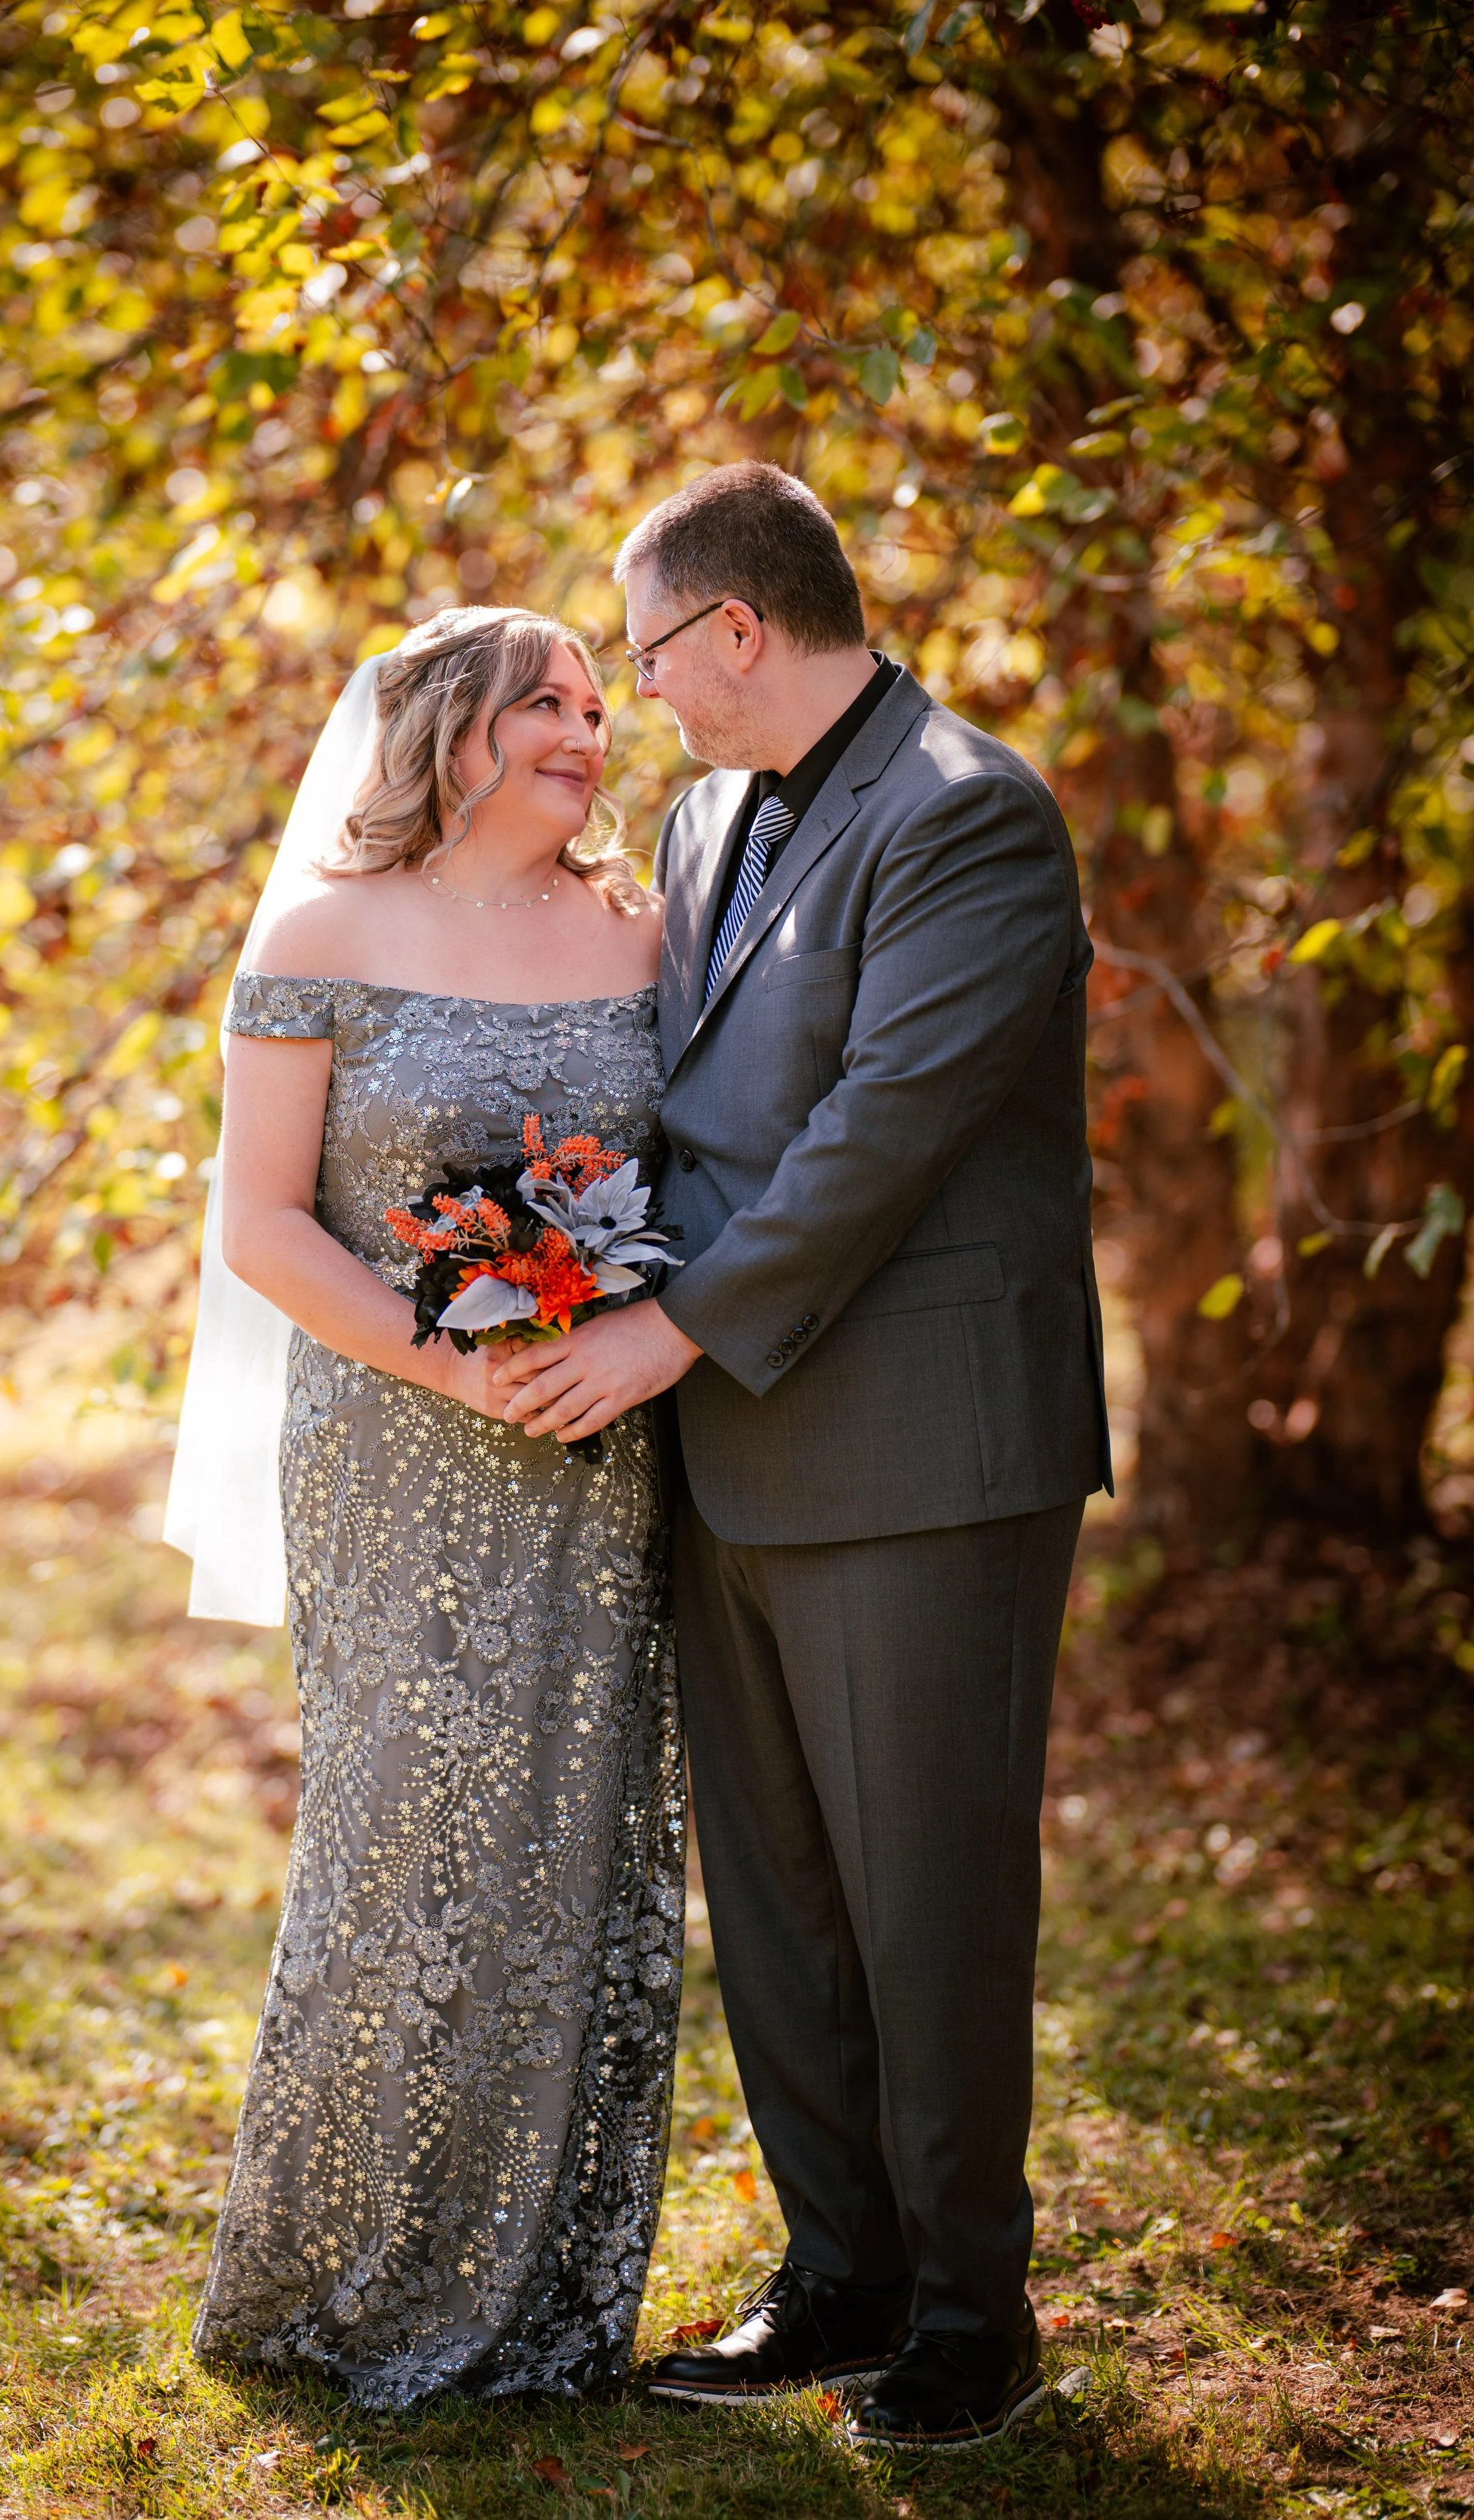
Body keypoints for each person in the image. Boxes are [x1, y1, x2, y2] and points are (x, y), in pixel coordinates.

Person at [493, 464, 1111, 2450]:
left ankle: (967, 2305)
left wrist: (663, 1324)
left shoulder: (965, 813)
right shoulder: (703, 815)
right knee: (773, 1893)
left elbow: (881, 1130)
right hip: (728, 1444)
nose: (645, 700)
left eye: (653, 653)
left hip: (924, 1441)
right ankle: (836, 2271)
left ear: (736, 629)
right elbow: (675, 1092)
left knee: (926, 1888)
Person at [185, 607, 684, 2408]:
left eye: (590, 700)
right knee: (405, 1836)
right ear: (440, 733)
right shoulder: (324, 929)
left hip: (609, 1440)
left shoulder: (648, 931)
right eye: (538, 700)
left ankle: (546, 2292)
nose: (581, 726)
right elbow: (258, 1225)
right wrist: (455, 1359)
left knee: (586, 1840)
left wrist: (630, 1330)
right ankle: (345, 2274)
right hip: (400, 1443)